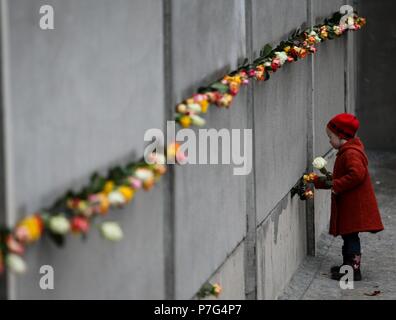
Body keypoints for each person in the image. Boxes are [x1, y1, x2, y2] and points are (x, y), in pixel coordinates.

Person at [313, 113, 384, 281]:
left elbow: (357, 175)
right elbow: (343, 177)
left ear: (341, 136)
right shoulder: (348, 151)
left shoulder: (351, 153)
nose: (329, 141)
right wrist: (318, 181)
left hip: (354, 206)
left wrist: (336, 185)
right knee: (348, 236)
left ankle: (353, 270)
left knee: (351, 237)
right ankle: (348, 266)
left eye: (330, 137)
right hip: (351, 205)